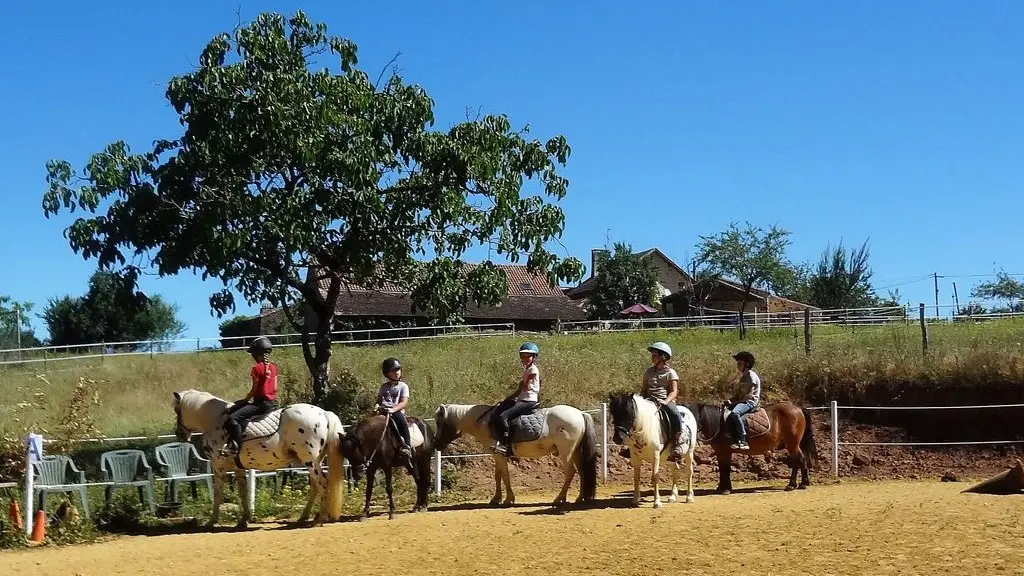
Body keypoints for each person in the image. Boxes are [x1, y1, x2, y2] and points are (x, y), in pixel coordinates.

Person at [627, 341, 687, 462]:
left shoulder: (671, 373)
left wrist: (666, 401)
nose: (652, 357)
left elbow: (674, 391)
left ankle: (678, 441)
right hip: (648, 401)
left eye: (655, 355)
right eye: (652, 355)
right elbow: (644, 390)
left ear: (662, 357)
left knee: (674, 414)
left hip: (664, 401)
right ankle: (630, 444)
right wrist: (640, 401)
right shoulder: (648, 372)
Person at [221, 337, 279, 456]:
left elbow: (255, 389)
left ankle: (235, 447)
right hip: (272, 403)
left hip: (260, 405)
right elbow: (275, 388)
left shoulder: (256, 368)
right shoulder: (274, 367)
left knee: (232, 419)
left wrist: (245, 400)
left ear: (256, 353)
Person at [490, 342, 541, 456]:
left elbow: (526, 387)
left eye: (528, 356)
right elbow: (520, 390)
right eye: (523, 357)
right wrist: (508, 399)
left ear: (534, 357)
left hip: (528, 400)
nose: (525, 359)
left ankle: (505, 445)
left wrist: (523, 385)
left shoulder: (533, 370)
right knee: (502, 407)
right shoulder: (527, 370)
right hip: (523, 398)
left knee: (503, 416)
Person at [376, 357, 413, 460]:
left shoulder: (403, 386)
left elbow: (404, 402)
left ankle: (407, 446)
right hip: (383, 411)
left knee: (401, 421)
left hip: (396, 412)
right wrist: (376, 407)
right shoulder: (383, 387)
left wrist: (393, 409)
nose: (397, 372)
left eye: (398, 370)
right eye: (394, 370)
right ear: (387, 373)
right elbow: (379, 401)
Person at [726, 350, 761, 450]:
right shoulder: (743, 377)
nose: (738, 365)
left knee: (735, 413)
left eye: (740, 363)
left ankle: (742, 439)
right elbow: (738, 395)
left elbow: (748, 396)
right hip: (742, 401)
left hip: (750, 402)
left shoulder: (751, 376)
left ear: (747, 364)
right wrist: (729, 401)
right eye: (737, 363)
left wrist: (735, 402)